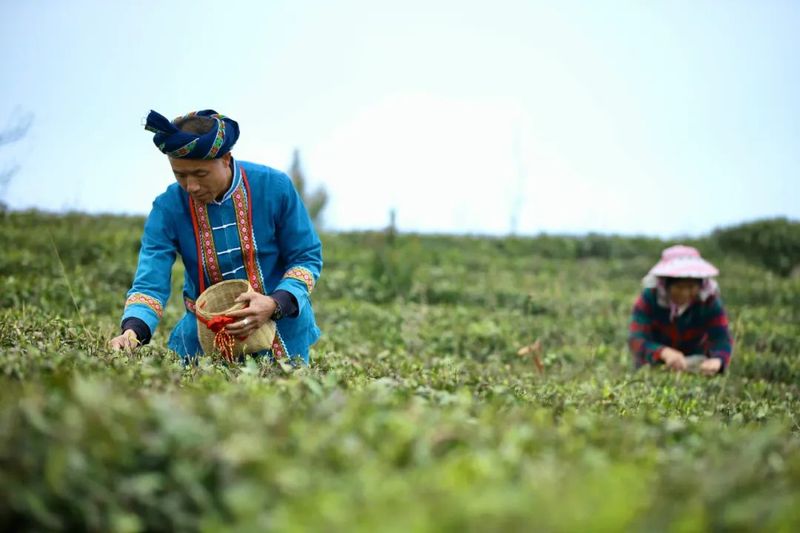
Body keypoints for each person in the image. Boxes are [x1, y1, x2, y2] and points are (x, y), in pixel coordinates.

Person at [110, 109, 322, 363]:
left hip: (283, 334)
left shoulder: (274, 186)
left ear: (226, 159)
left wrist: (274, 304)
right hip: (204, 337)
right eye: (180, 175)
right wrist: (132, 331)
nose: (191, 186)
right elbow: (150, 282)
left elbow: (306, 257)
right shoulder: (167, 208)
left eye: (200, 174)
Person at [628, 245, 732, 375]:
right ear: (666, 284)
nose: (685, 293)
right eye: (678, 287)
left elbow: (721, 338)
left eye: (691, 287)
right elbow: (636, 339)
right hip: (654, 365)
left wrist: (718, 360)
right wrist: (663, 352)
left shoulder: (708, 302)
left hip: (695, 366)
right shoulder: (650, 298)